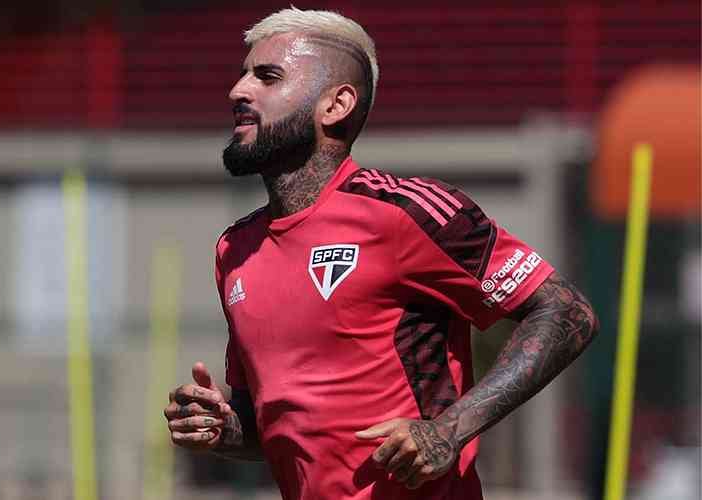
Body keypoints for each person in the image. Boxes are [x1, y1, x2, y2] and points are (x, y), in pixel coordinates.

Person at [164, 7, 599, 500]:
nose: (238, 91)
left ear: (336, 105)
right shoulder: (234, 250)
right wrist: (225, 426)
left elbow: (567, 310)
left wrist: (449, 430)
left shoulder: (404, 211)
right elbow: (285, 427)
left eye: (267, 76)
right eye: (243, 75)